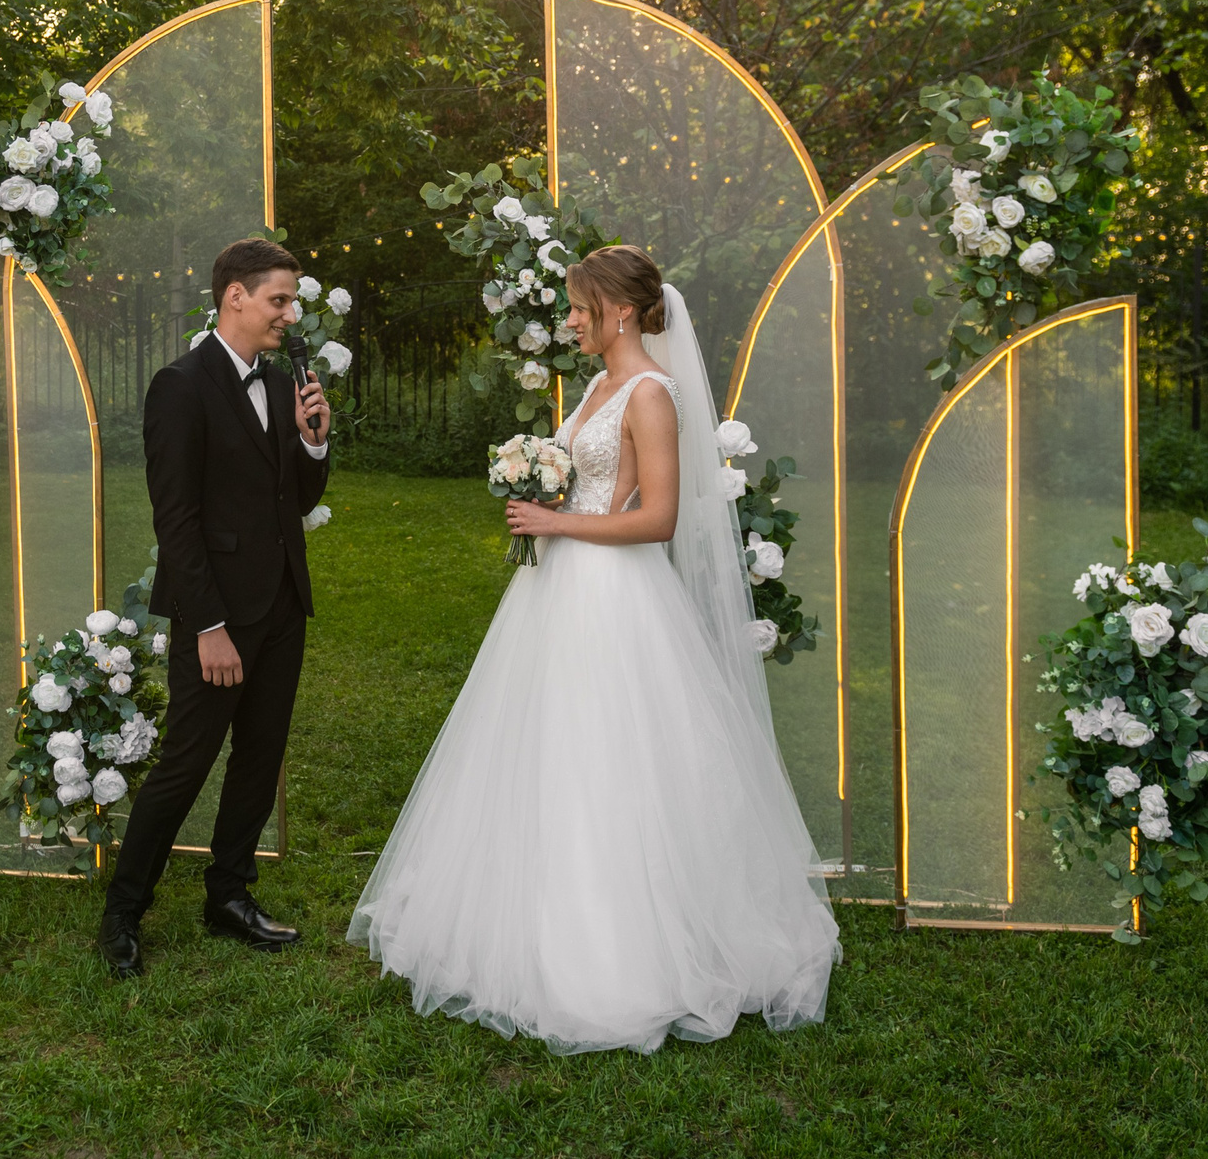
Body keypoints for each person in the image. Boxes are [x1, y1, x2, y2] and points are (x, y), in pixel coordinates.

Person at [347, 244, 839, 1053]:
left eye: (578, 307)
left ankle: (620, 951)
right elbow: (582, 477)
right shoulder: (596, 387)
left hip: (616, 594)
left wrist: (556, 520)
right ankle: (531, 917)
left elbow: (660, 518)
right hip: (556, 588)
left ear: (616, 309)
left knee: (610, 756)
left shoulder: (650, 393)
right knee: (545, 750)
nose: (569, 320)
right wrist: (538, 486)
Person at [99, 237, 332, 978]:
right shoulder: (180, 386)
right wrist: (207, 626)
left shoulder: (275, 380)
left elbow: (294, 498)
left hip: (283, 606)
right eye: (280, 300)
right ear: (235, 295)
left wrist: (312, 443)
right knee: (186, 765)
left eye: (291, 302)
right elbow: (177, 522)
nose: (289, 315)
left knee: (259, 760)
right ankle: (122, 913)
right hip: (218, 618)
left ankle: (227, 894)